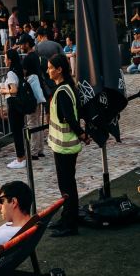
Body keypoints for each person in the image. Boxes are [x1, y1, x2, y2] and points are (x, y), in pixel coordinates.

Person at [44, 53, 85, 237]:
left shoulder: (62, 92)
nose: (48, 71)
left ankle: (70, 224)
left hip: (65, 147)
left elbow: (69, 117)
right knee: (67, 185)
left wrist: (82, 134)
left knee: (67, 186)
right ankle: (67, 217)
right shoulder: (67, 88)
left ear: (59, 70)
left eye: (51, 68)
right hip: (65, 146)